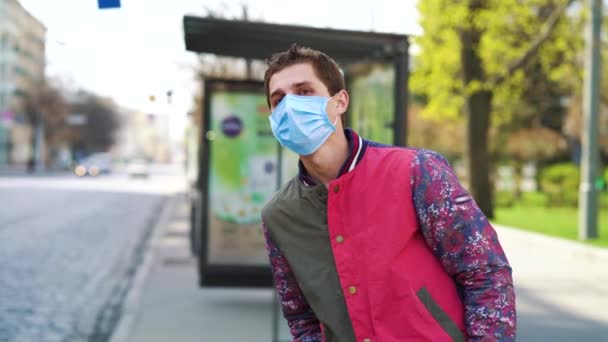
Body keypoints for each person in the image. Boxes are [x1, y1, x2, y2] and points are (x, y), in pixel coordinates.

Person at [261, 44, 516, 342]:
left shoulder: (416, 171)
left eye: (304, 92)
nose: (290, 107)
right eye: (278, 100)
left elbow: (485, 272)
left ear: (340, 101)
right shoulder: (279, 215)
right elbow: (301, 316)